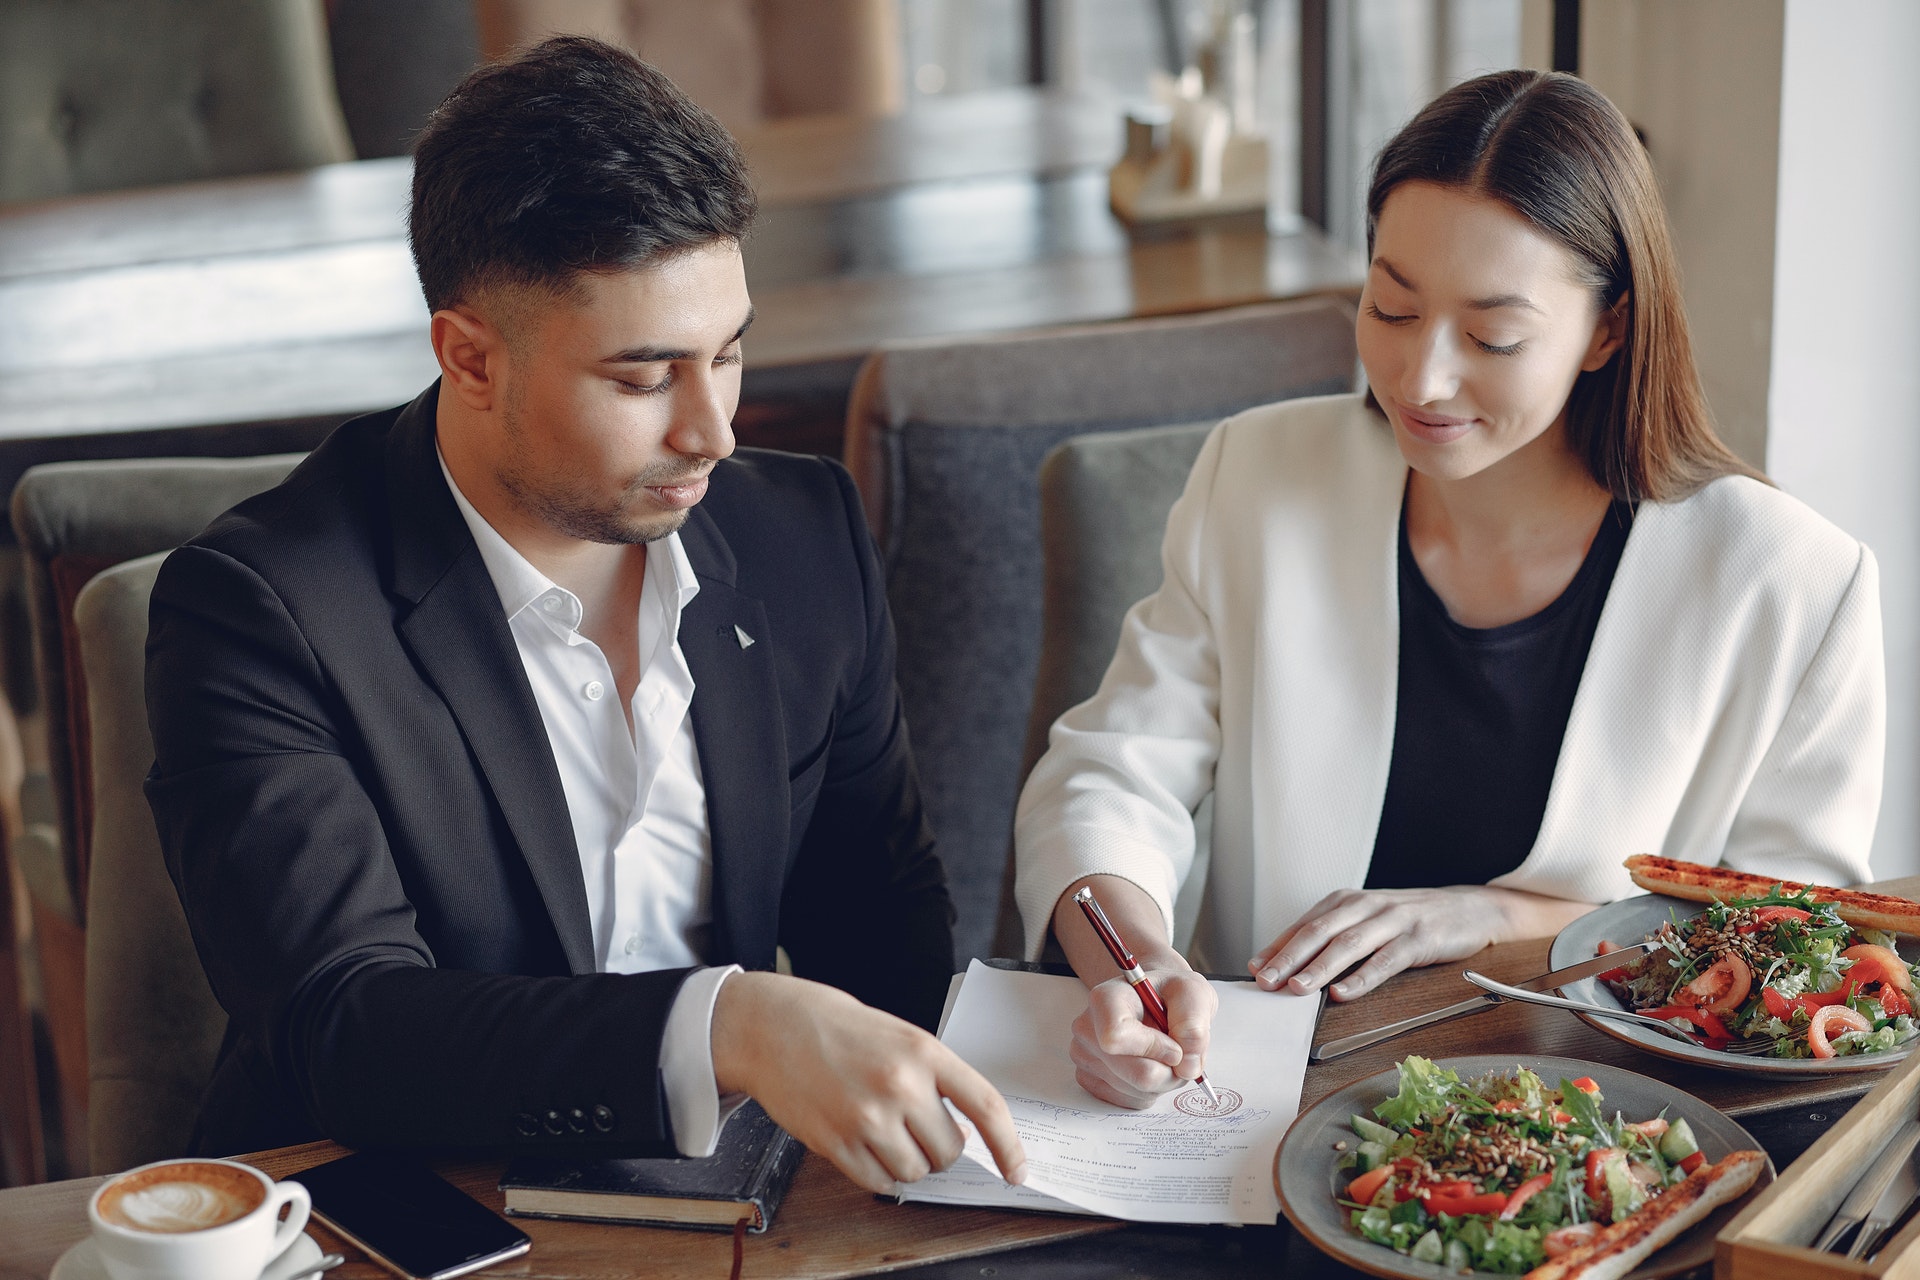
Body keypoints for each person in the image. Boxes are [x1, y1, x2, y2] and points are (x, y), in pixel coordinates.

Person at [144, 36, 1024, 1194]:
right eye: (644, 376)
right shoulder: (260, 611)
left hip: (750, 1196)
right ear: (470, 358)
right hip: (414, 1203)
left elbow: (882, 917)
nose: (711, 429)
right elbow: (347, 1026)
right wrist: (732, 1026)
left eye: (731, 353)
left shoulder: (801, 535)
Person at [1013, 69, 1884, 1109]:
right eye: (1392, 304)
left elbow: (1795, 952)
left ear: (1608, 330)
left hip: (1611, 1137)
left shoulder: (1791, 584)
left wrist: (1506, 915)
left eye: (1492, 337)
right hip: (1263, 1108)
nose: (1420, 378)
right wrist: (1132, 959)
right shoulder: (1258, 476)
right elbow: (1111, 773)